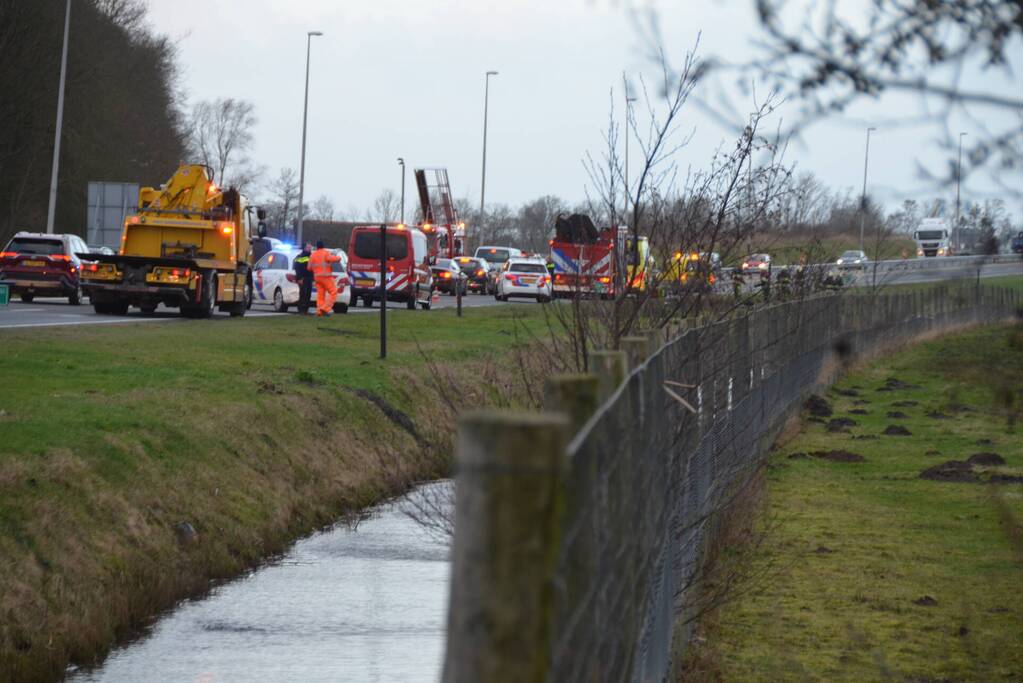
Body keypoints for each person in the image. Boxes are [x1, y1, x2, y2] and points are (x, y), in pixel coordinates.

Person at [309, 240, 341, 316]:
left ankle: (319, 311)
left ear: (317, 247)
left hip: (317, 278)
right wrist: (339, 258)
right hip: (326, 277)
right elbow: (332, 259)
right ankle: (325, 308)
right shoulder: (326, 253)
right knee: (333, 292)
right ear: (323, 246)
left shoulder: (313, 255)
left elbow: (309, 268)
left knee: (320, 295)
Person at [293, 242, 314, 314]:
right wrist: (299, 278)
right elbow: (297, 268)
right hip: (303, 278)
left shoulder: (312, 257)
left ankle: (306, 309)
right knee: (303, 294)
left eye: (310, 247)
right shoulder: (300, 256)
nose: (310, 249)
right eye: (308, 247)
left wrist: (313, 278)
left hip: (309, 278)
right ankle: (301, 309)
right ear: (305, 248)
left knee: (308, 294)